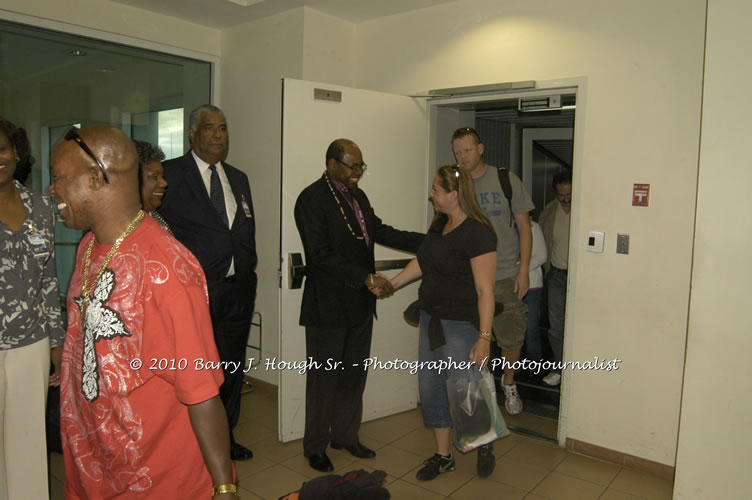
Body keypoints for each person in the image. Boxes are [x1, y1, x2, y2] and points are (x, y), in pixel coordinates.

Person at [48, 125, 238, 498]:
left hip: (155, 477)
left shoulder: (166, 268)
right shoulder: (88, 247)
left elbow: (200, 389)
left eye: (58, 178)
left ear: (95, 177)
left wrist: (224, 486)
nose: (52, 190)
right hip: (95, 465)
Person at [294, 138, 424, 473]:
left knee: (353, 375)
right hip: (328, 306)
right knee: (324, 380)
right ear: (332, 163)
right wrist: (366, 277)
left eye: (361, 166)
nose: (358, 173)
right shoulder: (311, 199)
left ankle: (346, 437)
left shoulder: (358, 196)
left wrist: (429, 241)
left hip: (360, 304)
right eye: (353, 166)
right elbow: (320, 255)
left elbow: (379, 231)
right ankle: (316, 446)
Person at [159, 105, 257, 461]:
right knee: (196, 369)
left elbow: (244, 227)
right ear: (192, 134)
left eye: (223, 128)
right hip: (194, 293)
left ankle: (225, 436)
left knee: (230, 366)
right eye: (210, 128)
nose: (218, 135)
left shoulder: (239, 178)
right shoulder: (170, 174)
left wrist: (249, 265)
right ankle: (189, 440)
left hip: (237, 290)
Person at [390, 165, 498, 480]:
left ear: (453, 194)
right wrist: (392, 284)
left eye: (436, 189)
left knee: (466, 388)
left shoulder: (478, 232)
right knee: (431, 387)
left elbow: (485, 290)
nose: (431, 194)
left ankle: (484, 443)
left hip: (462, 324)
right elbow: (423, 260)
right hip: (431, 320)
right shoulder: (440, 225)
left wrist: (484, 337)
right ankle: (443, 455)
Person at [0, 117, 64, 500]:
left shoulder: (40, 207)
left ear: (17, 152)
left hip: (31, 343)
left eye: (2, 149)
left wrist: (57, 341)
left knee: (26, 441)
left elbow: (49, 277)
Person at [451, 126, 534, 415]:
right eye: (458, 151)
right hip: (466, 278)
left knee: (511, 336)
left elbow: (524, 227)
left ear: (481, 148)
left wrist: (524, 269)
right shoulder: (455, 184)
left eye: (468, 150)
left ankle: (508, 381)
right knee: (468, 337)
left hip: (503, 276)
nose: (462, 156)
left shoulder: (505, 179)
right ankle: (478, 386)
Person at [539, 170, 572, 386]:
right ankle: (558, 368)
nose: (566, 199)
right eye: (561, 195)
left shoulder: (588, 209)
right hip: (557, 276)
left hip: (581, 279)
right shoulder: (549, 212)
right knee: (556, 327)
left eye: (569, 194)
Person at [522, 219, 548, 365]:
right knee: (513, 328)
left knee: (531, 328)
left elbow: (541, 256)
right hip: (509, 284)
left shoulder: (533, 227)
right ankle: (513, 365)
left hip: (532, 284)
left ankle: (533, 363)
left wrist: (520, 269)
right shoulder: (504, 226)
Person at [133, 139, 171, 232]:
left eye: (162, 176)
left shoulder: (154, 216)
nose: (164, 183)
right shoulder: (121, 227)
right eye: (154, 177)